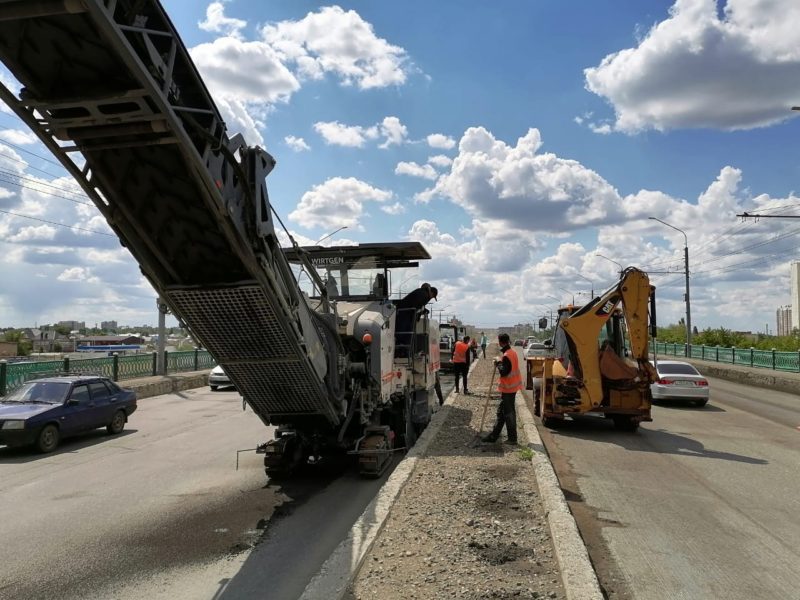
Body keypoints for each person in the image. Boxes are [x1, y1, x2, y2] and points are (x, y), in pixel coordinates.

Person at [482, 333, 522, 445]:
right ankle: (494, 436)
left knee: (508, 414)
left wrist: (498, 362)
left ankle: (512, 439)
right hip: (512, 388)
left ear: (500, 342)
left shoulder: (507, 355)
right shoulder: (512, 352)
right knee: (502, 413)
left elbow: (504, 372)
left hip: (508, 389)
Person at [395, 283, 438, 356]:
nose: (431, 298)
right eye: (432, 296)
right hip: (405, 313)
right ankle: (403, 352)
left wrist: (422, 310)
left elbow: (417, 304)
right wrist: (421, 310)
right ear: (431, 292)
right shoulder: (424, 295)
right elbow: (417, 304)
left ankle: (404, 351)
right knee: (404, 333)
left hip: (405, 312)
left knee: (405, 333)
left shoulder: (422, 292)